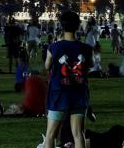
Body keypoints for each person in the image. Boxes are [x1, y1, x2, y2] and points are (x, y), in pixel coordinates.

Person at [43, 10, 90, 148]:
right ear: (78, 25)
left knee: (51, 135)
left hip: (59, 94)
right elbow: (89, 66)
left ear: (61, 26)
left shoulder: (54, 47)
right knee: (78, 134)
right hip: (79, 93)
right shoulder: (86, 48)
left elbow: (47, 65)